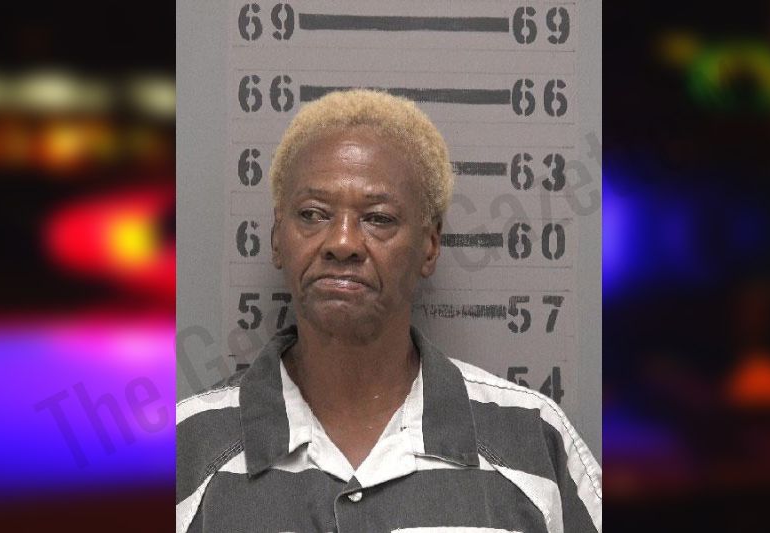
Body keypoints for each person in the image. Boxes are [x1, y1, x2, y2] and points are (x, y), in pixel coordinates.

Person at [177, 89, 601, 532]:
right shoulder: (186, 448)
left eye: (378, 218)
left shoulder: (533, 442)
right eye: (313, 214)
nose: (342, 242)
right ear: (276, 238)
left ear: (430, 246)